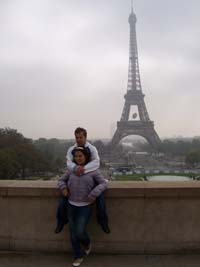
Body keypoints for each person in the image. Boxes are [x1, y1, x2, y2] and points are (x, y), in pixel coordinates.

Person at [58, 146, 107, 267]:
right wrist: (63, 188)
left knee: (79, 232)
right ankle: (78, 255)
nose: (78, 158)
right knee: (73, 233)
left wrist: (93, 194)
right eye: (76, 156)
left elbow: (104, 183)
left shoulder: (93, 171)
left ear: (86, 157)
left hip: (85, 206)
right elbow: (60, 181)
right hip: (71, 205)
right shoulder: (71, 171)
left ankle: (87, 243)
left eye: (80, 156)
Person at [55, 127, 110, 234]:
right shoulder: (71, 149)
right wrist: (76, 169)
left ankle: (103, 221)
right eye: (77, 137)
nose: (78, 139)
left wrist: (82, 170)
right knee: (62, 199)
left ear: (85, 137)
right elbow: (69, 164)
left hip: (89, 176)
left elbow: (96, 163)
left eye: (80, 137)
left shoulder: (92, 149)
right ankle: (61, 220)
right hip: (75, 176)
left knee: (100, 199)